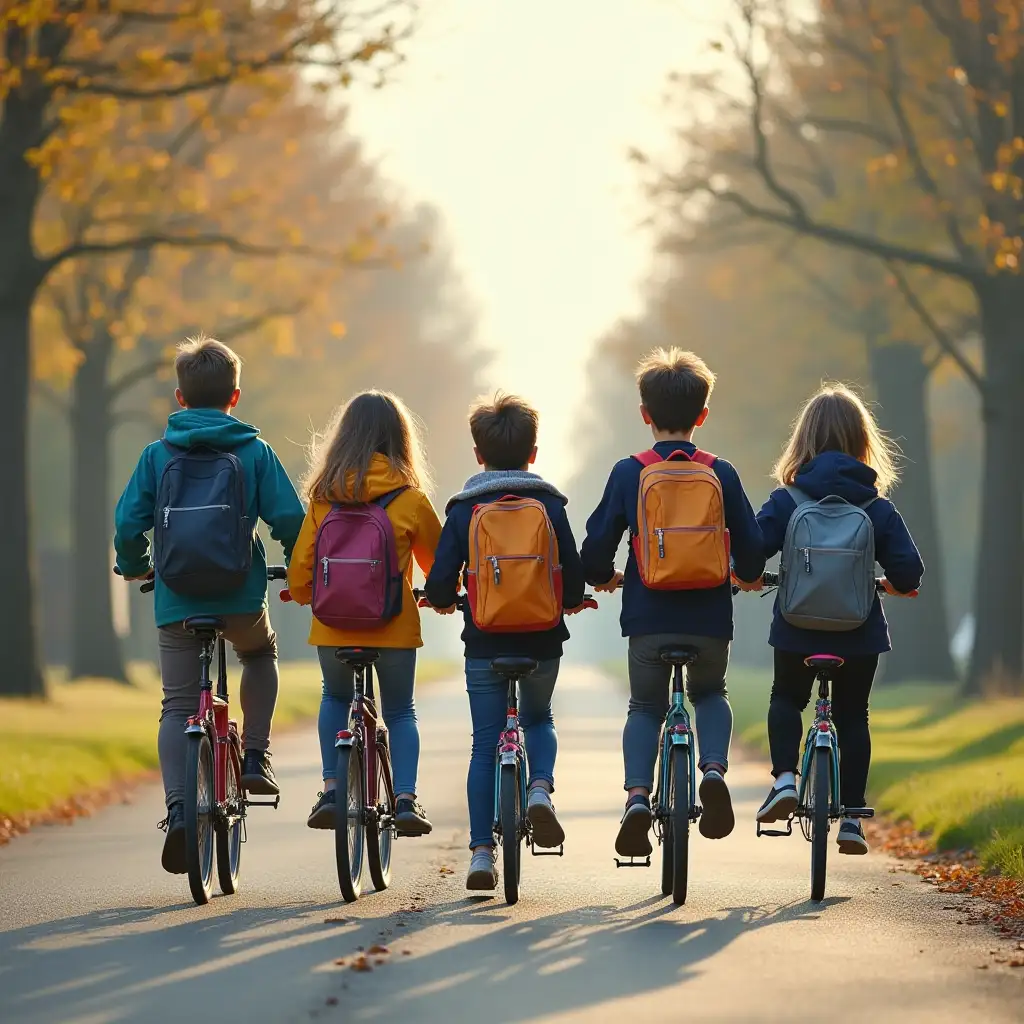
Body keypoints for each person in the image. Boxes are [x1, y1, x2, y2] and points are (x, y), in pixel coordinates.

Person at [114, 334, 305, 874]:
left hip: (176, 598)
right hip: (240, 595)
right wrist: (296, 565)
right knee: (260, 654)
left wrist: (135, 565)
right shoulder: (254, 451)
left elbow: (128, 524)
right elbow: (290, 519)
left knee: (177, 705)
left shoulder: (157, 455)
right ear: (235, 396)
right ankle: (255, 756)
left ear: (179, 398)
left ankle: (178, 810)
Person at [580, 347, 765, 856]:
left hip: (648, 614)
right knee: (710, 693)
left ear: (645, 414)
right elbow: (749, 546)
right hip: (709, 616)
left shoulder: (629, 472)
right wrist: (746, 577)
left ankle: (639, 797)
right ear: (702, 415)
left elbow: (597, 546)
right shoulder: (720, 473)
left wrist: (602, 577)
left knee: (645, 705)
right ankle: (712, 770)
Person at [745, 383, 923, 855]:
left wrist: (753, 576)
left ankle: (785, 779)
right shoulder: (877, 507)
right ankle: (852, 818)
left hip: (796, 626)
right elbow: (909, 572)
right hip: (859, 631)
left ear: (802, 440)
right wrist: (887, 585)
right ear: (863, 441)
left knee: (785, 697)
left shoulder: (788, 500)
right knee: (852, 715)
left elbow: (750, 552)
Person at [425, 392, 587, 891]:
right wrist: (573, 600)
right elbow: (574, 576)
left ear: (479, 453)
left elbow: (438, 582)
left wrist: (445, 599)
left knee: (483, 745)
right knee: (538, 718)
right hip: (541, 639)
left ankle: (479, 854)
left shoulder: (464, 507)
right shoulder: (550, 503)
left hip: (485, 640)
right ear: (533, 453)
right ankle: (539, 788)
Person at [286, 391, 442, 836]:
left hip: (334, 627)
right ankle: (406, 798)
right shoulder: (409, 499)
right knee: (400, 712)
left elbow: (302, 568)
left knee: (334, 698)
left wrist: (301, 593)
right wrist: (441, 595)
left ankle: (333, 789)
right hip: (393, 628)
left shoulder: (323, 498)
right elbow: (439, 565)